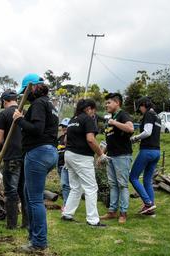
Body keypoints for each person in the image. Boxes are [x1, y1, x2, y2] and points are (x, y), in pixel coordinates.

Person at [12, 73, 58, 252]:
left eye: (25, 91)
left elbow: (37, 130)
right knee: (27, 192)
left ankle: (38, 242)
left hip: (38, 153)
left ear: (32, 88)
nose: (25, 95)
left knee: (35, 199)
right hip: (49, 152)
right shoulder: (49, 104)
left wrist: (20, 120)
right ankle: (33, 236)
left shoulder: (38, 103)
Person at [61, 99, 108, 227]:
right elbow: (91, 140)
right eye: (93, 110)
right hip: (81, 157)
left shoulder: (72, 120)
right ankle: (93, 220)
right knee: (91, 187)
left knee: (76, 187)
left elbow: (65, 139)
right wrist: (101, 154)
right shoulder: (87, 119)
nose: (94, 114)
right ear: (89, 108)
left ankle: (67, 214)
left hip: (69, 155)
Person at [0, 89, 27, 229]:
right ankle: (26, 224)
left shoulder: (4, 114)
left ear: (4, 101)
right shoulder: (25, 112)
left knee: (11, 191)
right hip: (26, 155)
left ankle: (11, 225)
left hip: (11, 156)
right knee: (23, 190)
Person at [100, 93, 134, 224]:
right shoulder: (112, 117)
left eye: (109, 102)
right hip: (111, 156)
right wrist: (102, 154)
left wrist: (114, 122)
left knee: (122, 185)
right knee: (113, 185)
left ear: (117, 103)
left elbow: (130, 129)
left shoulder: (122, 115)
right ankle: (112, 212)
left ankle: (123, 213)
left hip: (122, 156)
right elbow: (109, 140)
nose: (106, 105)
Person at [129, 97, 161, 216]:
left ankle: (147, 203)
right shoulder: (157, 116)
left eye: (140, 108)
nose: (140, 110)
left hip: (147, 151)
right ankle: (150, 208)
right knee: (147, 180)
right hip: (157, 152)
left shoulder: (148, 114)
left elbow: (148, 132)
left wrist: (135, 138)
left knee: (133, 177)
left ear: (144, 105)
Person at [57, 118, 71, 205]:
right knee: (65, 185)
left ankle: (66, 204)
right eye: (62, 126)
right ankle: (68, 202)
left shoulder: (71, 138)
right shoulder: (60, 138)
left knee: (65, 185)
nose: (64, 128)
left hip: (66, 164)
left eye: (66, 126)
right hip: (59, 164)